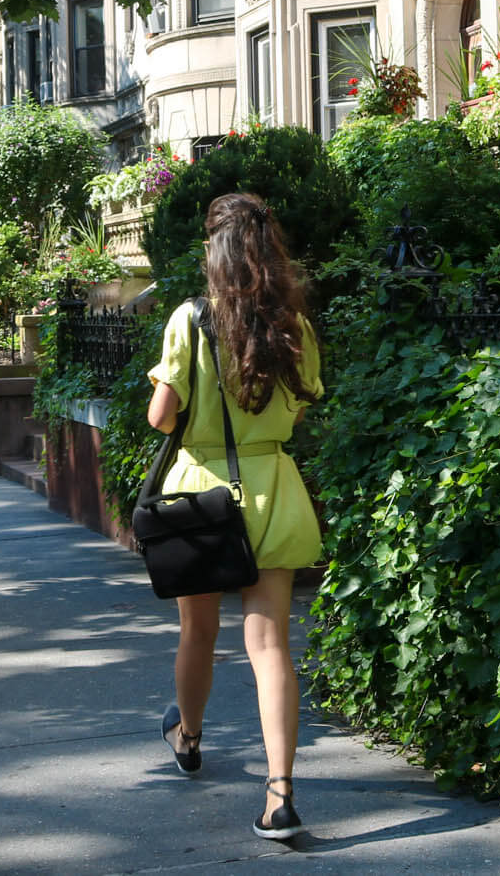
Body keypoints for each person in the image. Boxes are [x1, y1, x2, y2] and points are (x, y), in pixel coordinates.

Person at [144, 193, 324, 841]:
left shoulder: (192, 320)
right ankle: (280, 794)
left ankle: (189, 736)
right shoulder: (292, 326)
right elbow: (299, 411)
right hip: (272, 485)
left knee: (198, 631)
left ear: (213, 251)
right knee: (270, 642)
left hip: (203, 494)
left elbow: (161, 416)